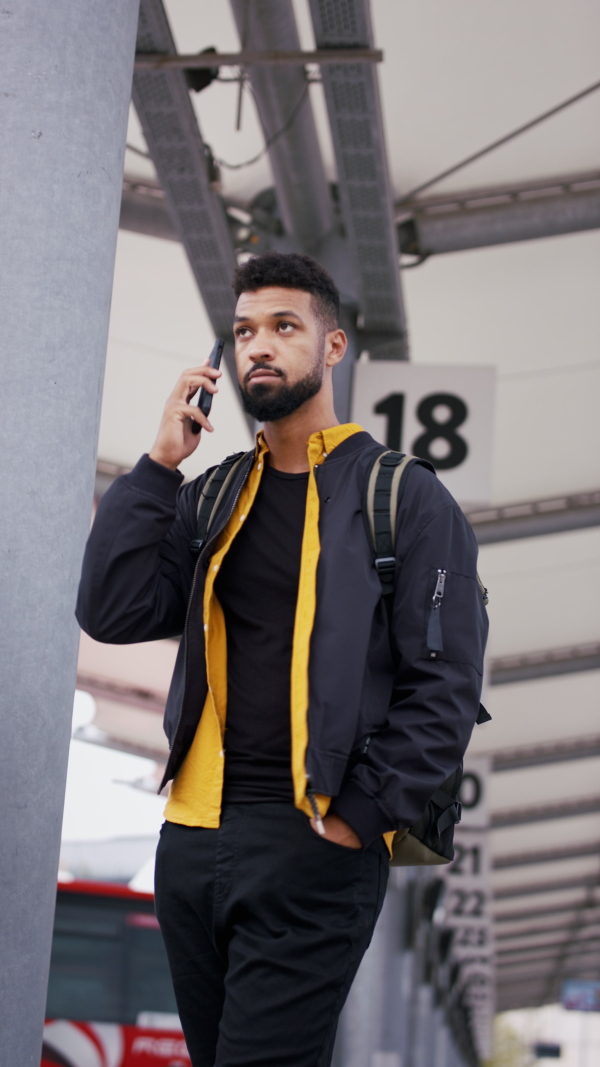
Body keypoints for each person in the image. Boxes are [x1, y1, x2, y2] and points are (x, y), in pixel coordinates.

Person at [76, 251, 488, 1067]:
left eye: (283, 327)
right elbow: (112, 608)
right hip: (193, 843)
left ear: (333, 347)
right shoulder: (212, 494)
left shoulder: (403, 497)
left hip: (314, 842)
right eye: (243, 332)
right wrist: (159, 466)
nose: (257, 346)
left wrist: (359, 818)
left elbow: (444, 682)